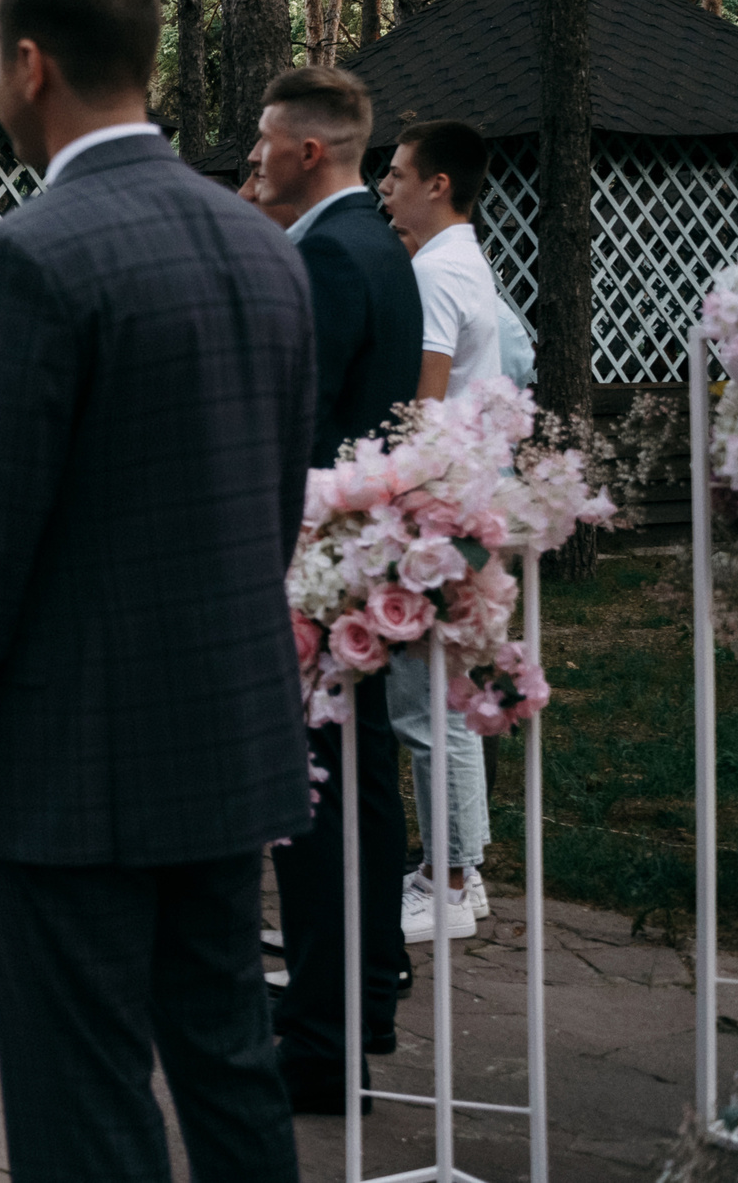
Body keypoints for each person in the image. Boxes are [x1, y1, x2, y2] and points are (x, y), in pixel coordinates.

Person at [0, 0, 311, 1183]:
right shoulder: (263, 250)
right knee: (229, 1066)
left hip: (72, 766)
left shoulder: (22, 258)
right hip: (227, 733)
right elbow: (269, 507)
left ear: (29, 66)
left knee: (83, 1096)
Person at [245, 65, 422, 1108]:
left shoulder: (327, 259)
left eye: (265, 138)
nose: (254, 155)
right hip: (358, 562)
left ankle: (319, 1046)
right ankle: (353, 1001)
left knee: (312, 808)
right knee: (356, 792)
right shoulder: (373, 246)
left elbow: (293, 429)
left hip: (315, 567)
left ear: (308, 149)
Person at [375, 117, 503, 943]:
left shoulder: (431, 271)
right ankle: (461, 870)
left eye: (395, 174)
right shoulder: (467, 261)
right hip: (467, 499)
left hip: (436, 509)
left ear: (438, 184)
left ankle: (448, 880)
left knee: (427, 707)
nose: (384, 187)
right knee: (444, 697)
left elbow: (419, 408)